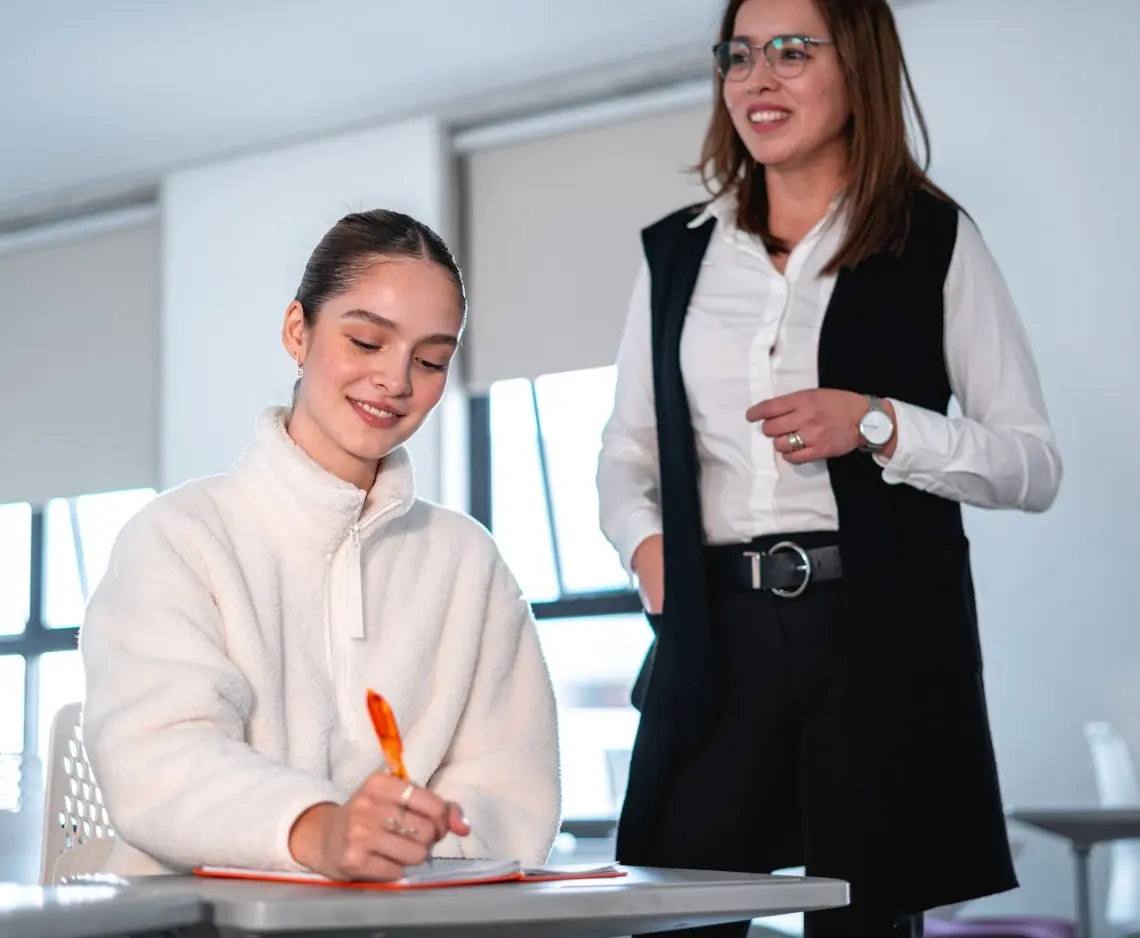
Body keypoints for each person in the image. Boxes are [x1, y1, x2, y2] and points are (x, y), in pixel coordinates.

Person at [596, 0, 1062, 935]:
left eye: (791, 52)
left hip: (874, 633)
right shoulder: (677, 253)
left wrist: (882, 425)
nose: (756, 79)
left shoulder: (934, 238)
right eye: (738, 55)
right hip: (715, 635)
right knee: (676, 911)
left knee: (863, 919)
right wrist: (646, 550)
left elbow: (1031, 465)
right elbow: (628, 449)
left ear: (856, 69)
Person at [81, 209, 560, 881]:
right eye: (366, 342)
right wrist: (318, 830)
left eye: (430, 360)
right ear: (297, 332)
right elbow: (158, 756)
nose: (396, 382)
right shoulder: (181, 537)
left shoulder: (465, 561)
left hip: (410, 924)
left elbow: (510, 780)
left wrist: (406, 855)